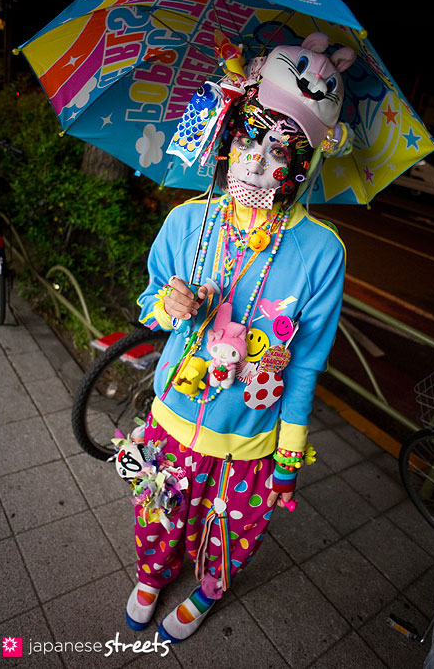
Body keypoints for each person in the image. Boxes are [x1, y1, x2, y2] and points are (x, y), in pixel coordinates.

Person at [119, 33, 355, 643]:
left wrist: (289, 456)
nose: (259, 157)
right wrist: (170, 305)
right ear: (228, 133)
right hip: (173, 418)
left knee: (232, 534)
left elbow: (305, 363)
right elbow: (150, 303)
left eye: (283, 146)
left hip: (249, 440)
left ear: (308, 159)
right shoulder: (188, 220)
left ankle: (206, 592)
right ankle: (151, 574)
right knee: (157, 513)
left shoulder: (322, 251)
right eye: (252, 135)